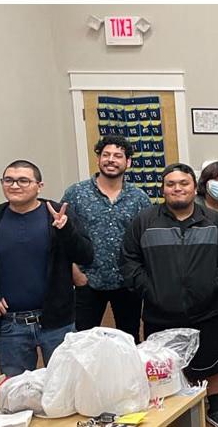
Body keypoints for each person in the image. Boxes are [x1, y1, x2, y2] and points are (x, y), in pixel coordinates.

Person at [121, 163, 218, 427]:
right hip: (159, 310)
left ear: (193, 186)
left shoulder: (214, 221)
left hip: (208, 308)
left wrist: (214, 284)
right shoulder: (145, 221)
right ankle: (169, 409)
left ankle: (215, 406)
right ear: (163, 189)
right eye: (171, 184)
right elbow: (129, 260)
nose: (177, 189)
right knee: (162, 365)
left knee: (210, 360)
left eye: (183, 183)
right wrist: (149, 290)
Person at [0, 160, 93, 377]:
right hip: (10, 326)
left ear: (39, 185)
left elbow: (86, 255)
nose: (15, 185)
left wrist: (66, 230)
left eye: (23, 180)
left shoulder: (57, 214)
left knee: (65, 386)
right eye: (9, 180)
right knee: (17, 394)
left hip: (57, 323)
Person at [61, 136, 150, 339]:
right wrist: (76, 274)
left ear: (128, 162)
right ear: (99, 159)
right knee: (81, 343)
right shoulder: (76, 193)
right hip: (87, 281)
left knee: (129, 340)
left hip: (127, 283)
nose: (111, 160)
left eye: (118, 156)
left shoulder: (139, 198)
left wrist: (139, 277)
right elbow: (62, 236)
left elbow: (145, 241)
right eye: (106, 155)